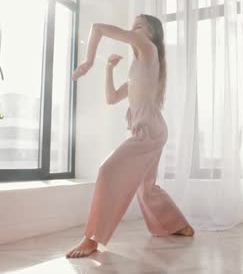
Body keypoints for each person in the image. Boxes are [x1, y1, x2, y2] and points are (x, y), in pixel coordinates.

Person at [66, 15, 194, 258]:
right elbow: (112, 98)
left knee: (108, 171)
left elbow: (98, 26)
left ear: (152, 34)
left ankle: (92, 239)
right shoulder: (139, 68)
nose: (133, 29)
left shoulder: (148, 47)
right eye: (133, 25)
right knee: (147, 189)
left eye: (139, 26)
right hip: (150, 130)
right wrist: (108, 68)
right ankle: (180, 226)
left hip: (149, 131)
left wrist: (89, 61)